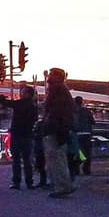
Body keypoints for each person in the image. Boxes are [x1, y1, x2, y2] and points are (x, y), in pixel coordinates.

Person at [0, 84, 38, 189]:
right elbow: (34, 120)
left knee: (16, 160)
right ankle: (29, 182)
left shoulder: (19, 104)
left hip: (17, 134)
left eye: (23, 92)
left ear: (27, 94)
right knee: (27, 160)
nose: (21, 93)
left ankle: (16, 182)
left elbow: (5, 102)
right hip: (27, 135)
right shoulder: (33, 107)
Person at [41, 68, 76, 198]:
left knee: (55, 158)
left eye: (51, 73)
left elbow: (55, 112)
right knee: (59, 158)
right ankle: (64, 184)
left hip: (55, 129)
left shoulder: (57, 90)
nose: (49, 76)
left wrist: (50, 124)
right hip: (59, 129)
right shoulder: (61, 90)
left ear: (57, 76)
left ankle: (61, 186)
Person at [73, 96, 95, 176]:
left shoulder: (73, 111)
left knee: (78, 152)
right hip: (87, 133)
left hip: (77, 134)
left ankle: (76, 168)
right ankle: (87, 169)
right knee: (87, 152)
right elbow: (93, 121)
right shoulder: (87, 111)